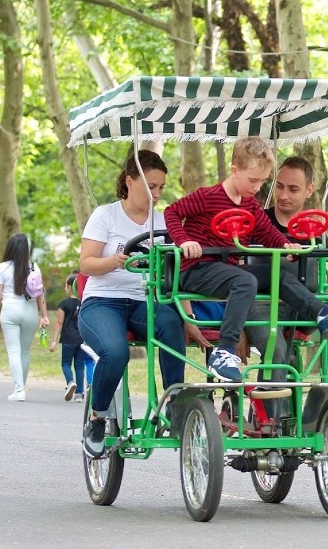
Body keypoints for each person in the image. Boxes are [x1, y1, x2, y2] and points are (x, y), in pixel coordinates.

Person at [163, 136, 328, 384]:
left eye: (262, 181)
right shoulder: (208, 196)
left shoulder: (250, 204)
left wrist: (285, 245)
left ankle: (325, 314)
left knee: (277, 274)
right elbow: (172, 212)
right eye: (253, 180)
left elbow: (266, 232)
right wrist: (184, 240)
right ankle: (224, 351)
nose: (258, 187)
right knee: (246, 280)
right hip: (197, 269)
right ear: (234, 171)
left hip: (224, 272)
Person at [79, 150, 209, 458]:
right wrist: (115, 261)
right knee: (116, 352)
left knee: (169, 322)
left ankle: (174, 405)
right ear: (129, 182)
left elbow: (177, 273)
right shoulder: (105, 215)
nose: (157, 194)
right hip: (102, 301)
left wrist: (189, 318)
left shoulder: (163, 222)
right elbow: (86, 265)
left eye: (161, 187)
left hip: (142, 301)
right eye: (151, 186)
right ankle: (97, 418)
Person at [249, 156, 328, 383]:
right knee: (274, 350)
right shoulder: (258, 225)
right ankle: (269, 408)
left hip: (305, 307)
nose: (284, 196)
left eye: (293, 189)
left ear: (309, 190)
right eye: (280, 186)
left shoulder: (315, 233)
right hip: (265, 307)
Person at [0, 233, 50, 401]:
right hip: (30, 310)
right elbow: (40, 294)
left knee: (14, 351)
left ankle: (19, 390)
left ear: (10, 247)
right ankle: (21, 389)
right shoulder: (34, 267)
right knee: (25, 352)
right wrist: (44, 315)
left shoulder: (3, 268)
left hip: (10, 310)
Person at [49, 271, 87, 402]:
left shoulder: (64, 304)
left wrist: (54, 341)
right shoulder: (84, 303)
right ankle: (79, 394)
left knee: (66, 363)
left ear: (70, 287)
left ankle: (70, 382)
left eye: (66, 286)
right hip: (81, 338)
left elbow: (59, 322)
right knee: (79, 365)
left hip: (68, 339)